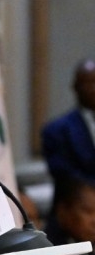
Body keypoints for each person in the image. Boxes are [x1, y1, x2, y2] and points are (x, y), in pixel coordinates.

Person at [42, 56, 95, 184]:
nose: (94, 89)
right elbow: (63, 173)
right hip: (79, 198)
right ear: (76, 87)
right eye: (89, 83)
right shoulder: (57, 130)